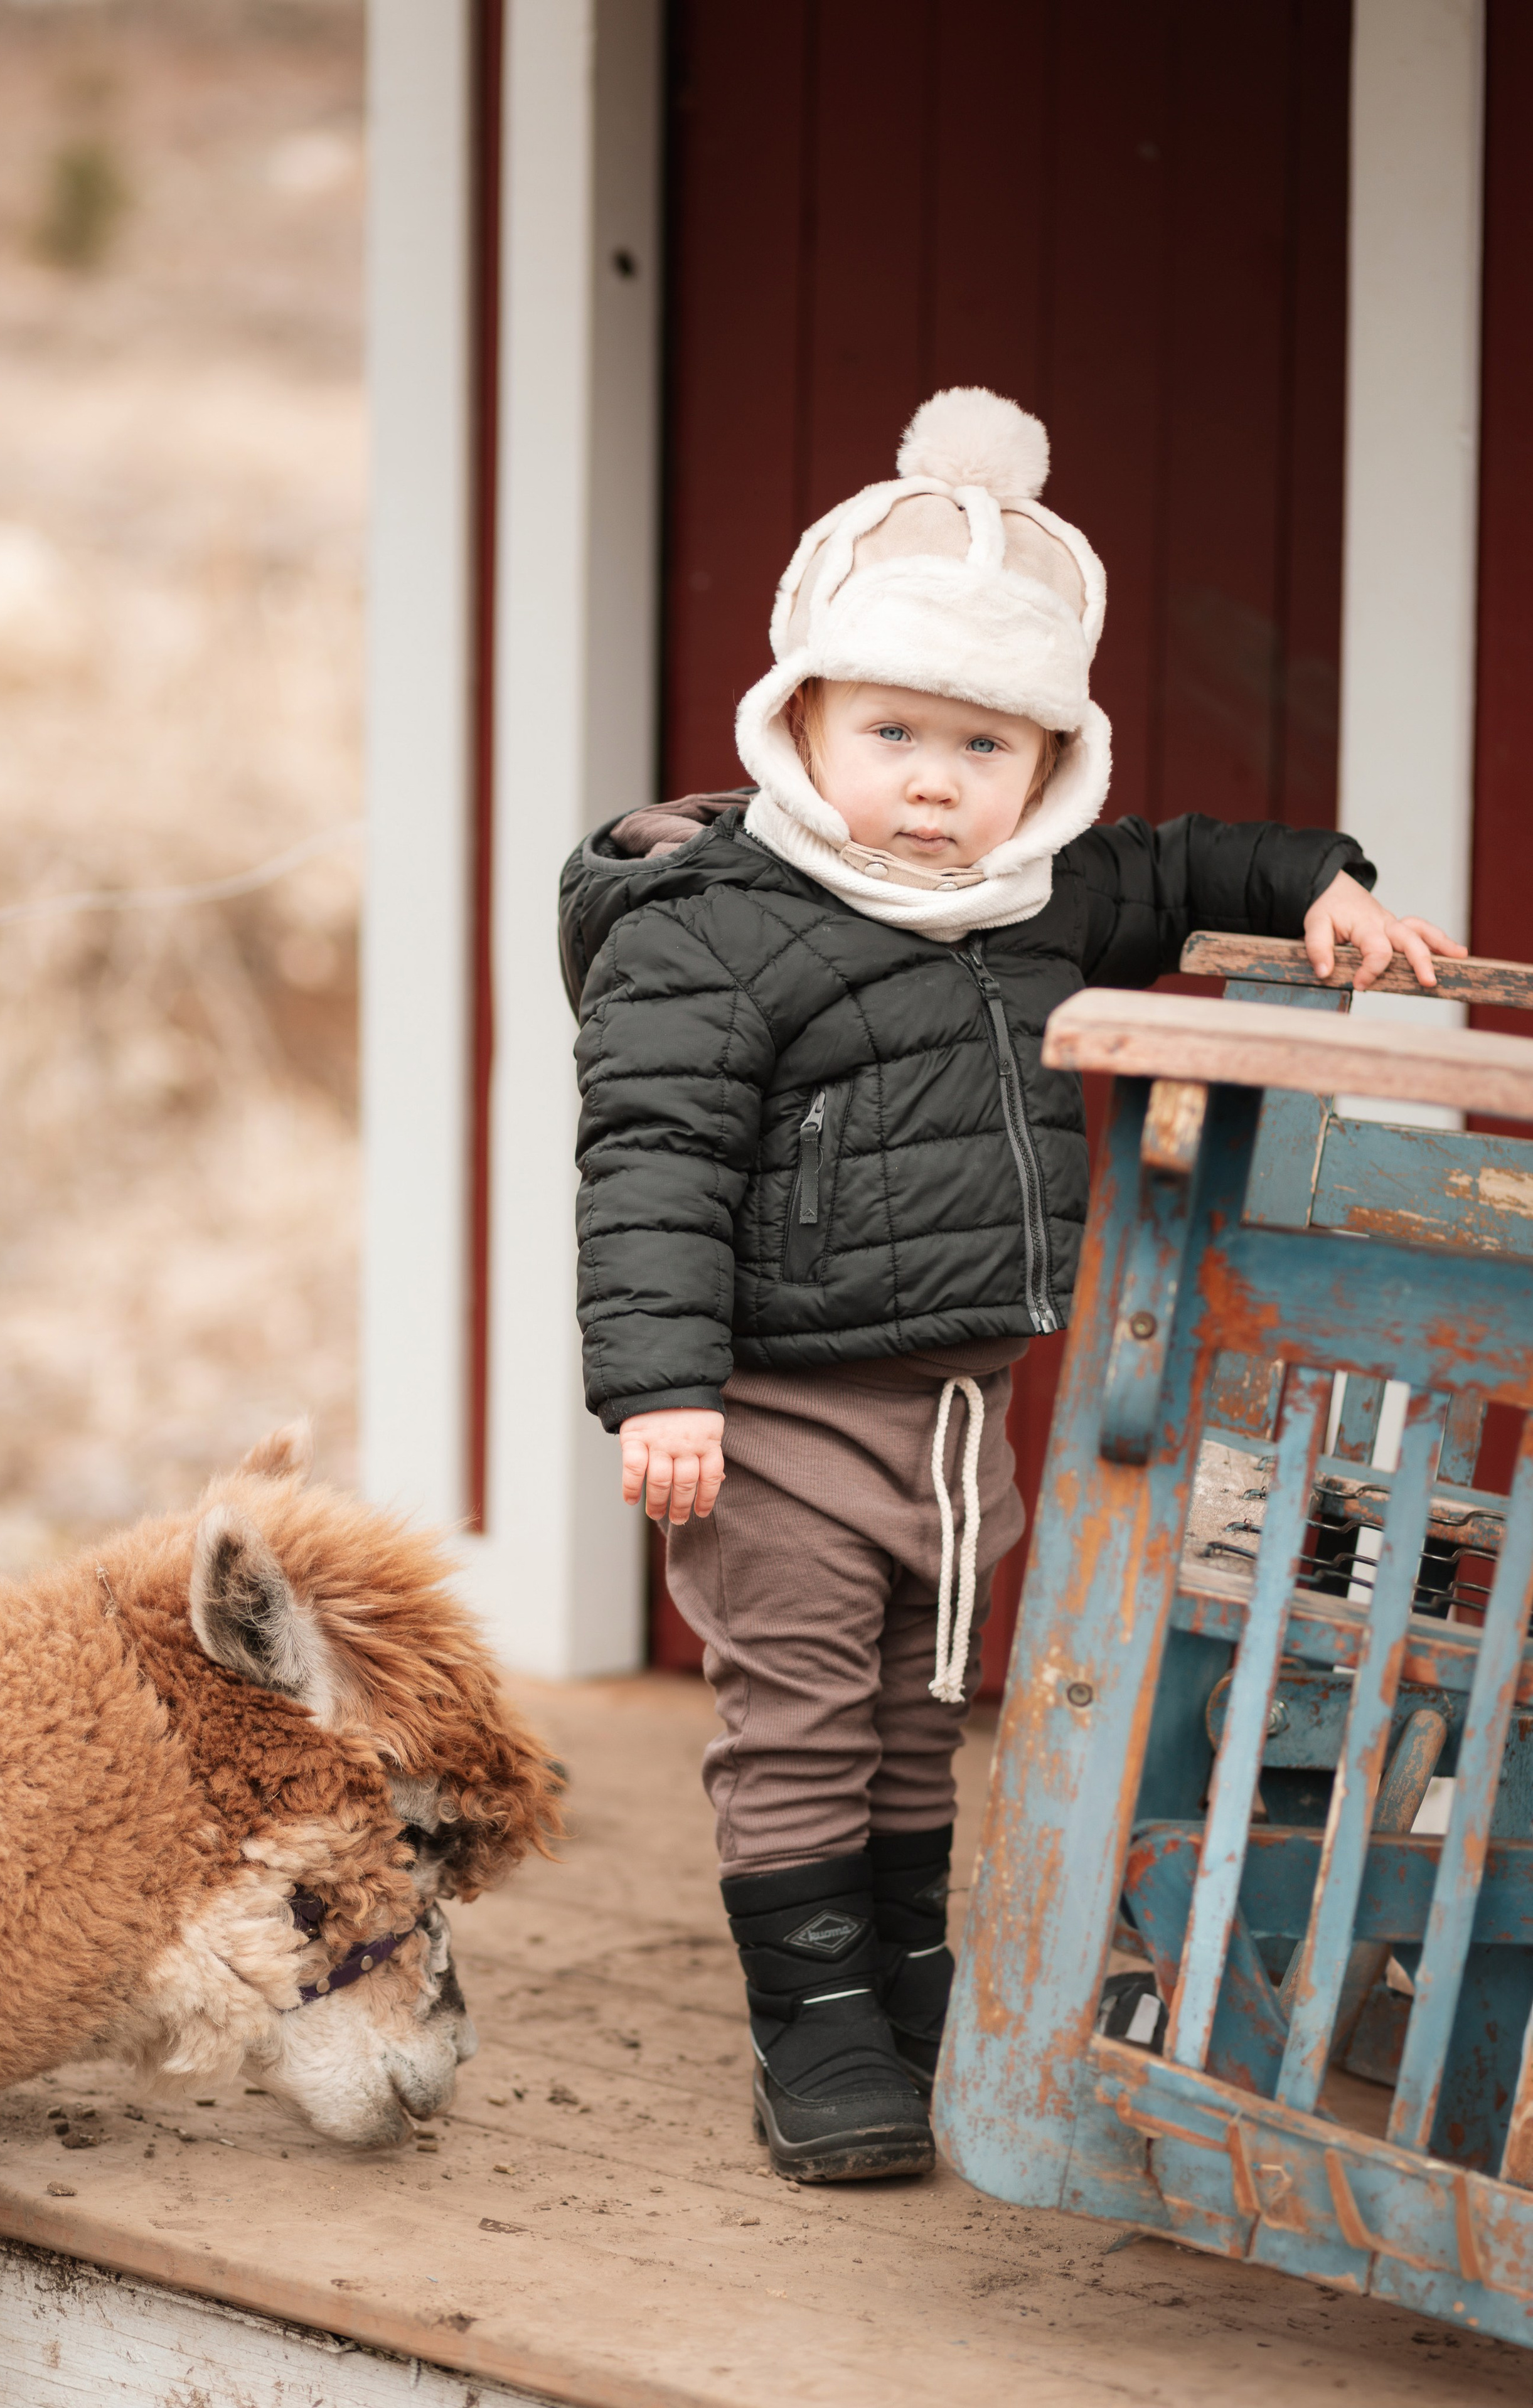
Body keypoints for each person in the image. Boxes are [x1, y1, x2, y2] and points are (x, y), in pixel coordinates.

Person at [557, 388, 1463, 2184]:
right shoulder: (716, 928)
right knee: (803, 1718)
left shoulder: (1034, 895)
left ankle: (908, 1988)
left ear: (1048, 767)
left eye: (986, 748)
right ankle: (812, 2037)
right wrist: (661, 1390)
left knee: (918, 1714)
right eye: (891, 730)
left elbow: (1190, 861)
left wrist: (1328, 886)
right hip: (779, 1409)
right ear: (799, 722)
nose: (932, 780)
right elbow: (651, 1161)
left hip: (958, 1419)